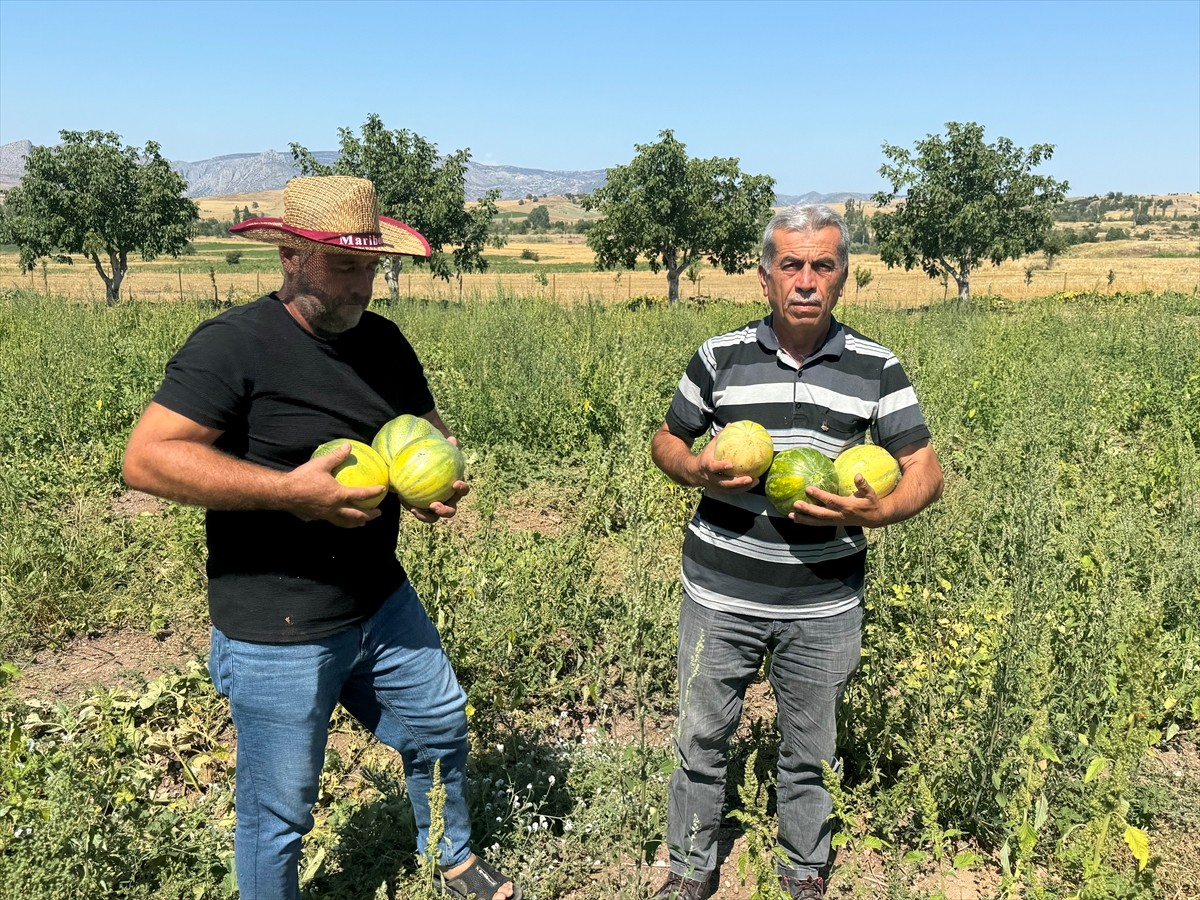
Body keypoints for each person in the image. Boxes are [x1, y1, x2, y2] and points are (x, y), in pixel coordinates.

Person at [123, 175, 520, 900]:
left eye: (370, 267)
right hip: (277, 620)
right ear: (291, 256)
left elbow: (428, 432)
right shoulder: (233, 345)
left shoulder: (386, 343)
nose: (362, 286)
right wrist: (288, 492)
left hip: (379, 596)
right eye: (344, 267)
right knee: (280, 811)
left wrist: (432, 481)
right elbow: (146, 458)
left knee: (438, 726)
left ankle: (452, 854)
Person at [649, 205, 944, 900]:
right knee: (701, 737)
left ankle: (803, 866)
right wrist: (696, 469)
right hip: (720, 592)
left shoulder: (877, 367)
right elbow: (667, 439)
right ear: (763, 277)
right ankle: (690, 866)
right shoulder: (720, 356)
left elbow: (925, 468)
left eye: (823, 266)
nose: (806, 281)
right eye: (791, 265)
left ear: (844, 278)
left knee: (812, 746)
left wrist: (882, 509)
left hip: (825, 600)